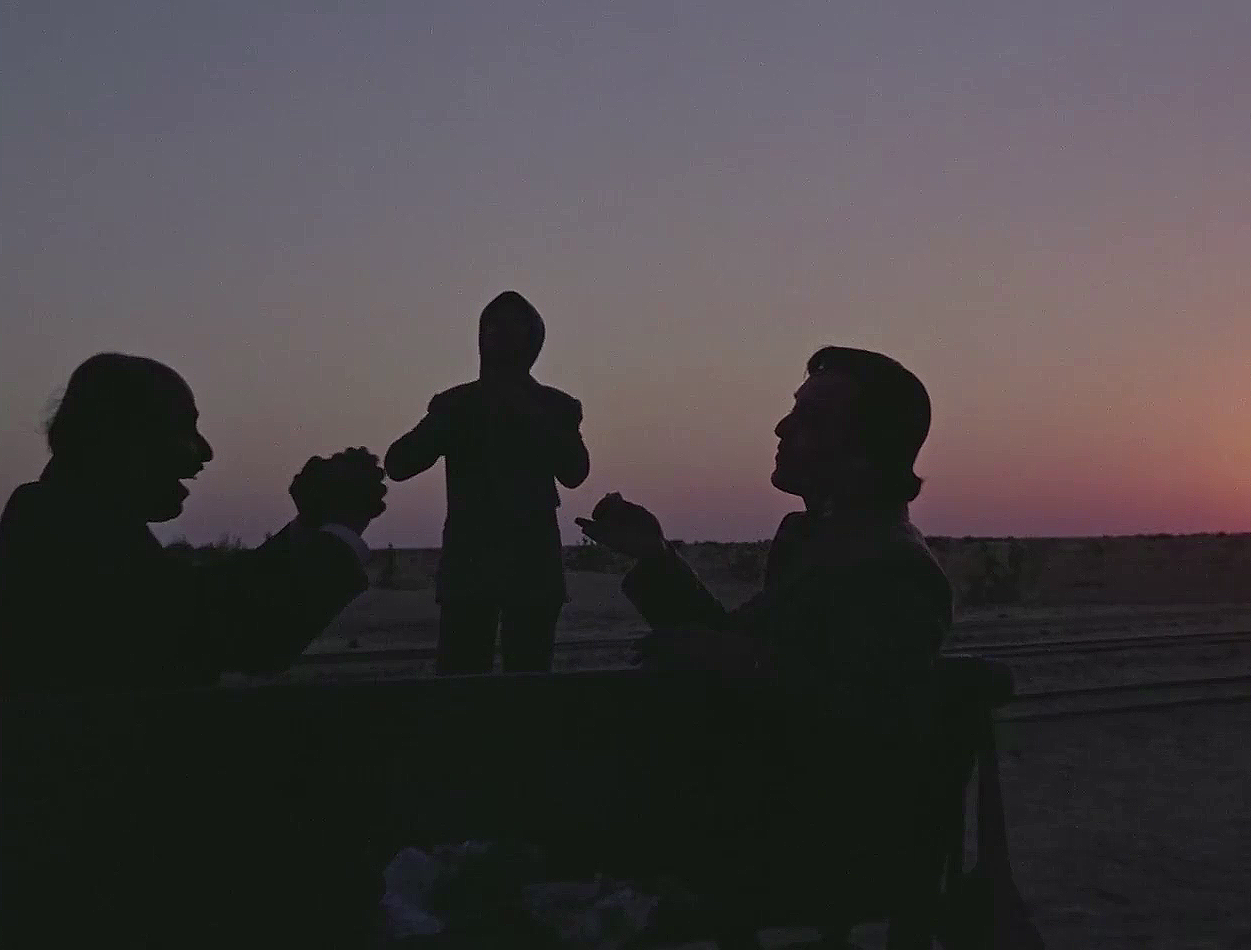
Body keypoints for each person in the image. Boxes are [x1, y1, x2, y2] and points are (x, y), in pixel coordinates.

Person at [0, 352, 390, 946]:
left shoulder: (65, 522)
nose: (204, 452)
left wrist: (312, 528)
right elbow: (222, 630)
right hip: (106, 875)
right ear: (118, 440)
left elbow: (194, 606)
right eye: (183, 430)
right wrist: (337, 530)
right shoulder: (63, 535)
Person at [575, 346, 953, 944]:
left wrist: (735, 661)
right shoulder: (828, 542)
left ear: (867, 448)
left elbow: (865, 720)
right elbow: (737, 646)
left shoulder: (893, 569)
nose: (782, 427)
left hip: (805, 842)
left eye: (810, 418)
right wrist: (655, 559)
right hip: (763, 815)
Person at [385, 291, 589, 674]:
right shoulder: (456, 405)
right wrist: (443, 427)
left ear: (532, 339)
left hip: (530, 569)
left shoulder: (555, 406)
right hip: (471, 569)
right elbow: (399, 463)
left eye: (510, 329)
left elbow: (575, 472)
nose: (497, 338)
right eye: (491, 329)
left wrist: (531, 415)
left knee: (528, 680)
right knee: (461, 681)